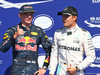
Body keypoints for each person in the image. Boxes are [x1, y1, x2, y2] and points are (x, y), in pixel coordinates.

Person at [0, 4, 51, 75]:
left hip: (33, 71)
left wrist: (44, 67)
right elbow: (3, 48)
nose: (29, 17)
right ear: (20, 15)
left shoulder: (39, 31)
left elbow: (50, 50)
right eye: (26, 14)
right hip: (16, 71)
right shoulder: (12, 30)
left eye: (31, 14)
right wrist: (14, 36)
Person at [49, 6, 96, 75]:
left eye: (66, 16)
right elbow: (54, 55)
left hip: (77, 72)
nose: (64, 19)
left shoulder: (84, 34)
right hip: (61, 72)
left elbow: (91, 56)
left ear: (74, 18)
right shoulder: (58, 33)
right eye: (63, 16)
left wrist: (78, 68)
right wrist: (51, 72)